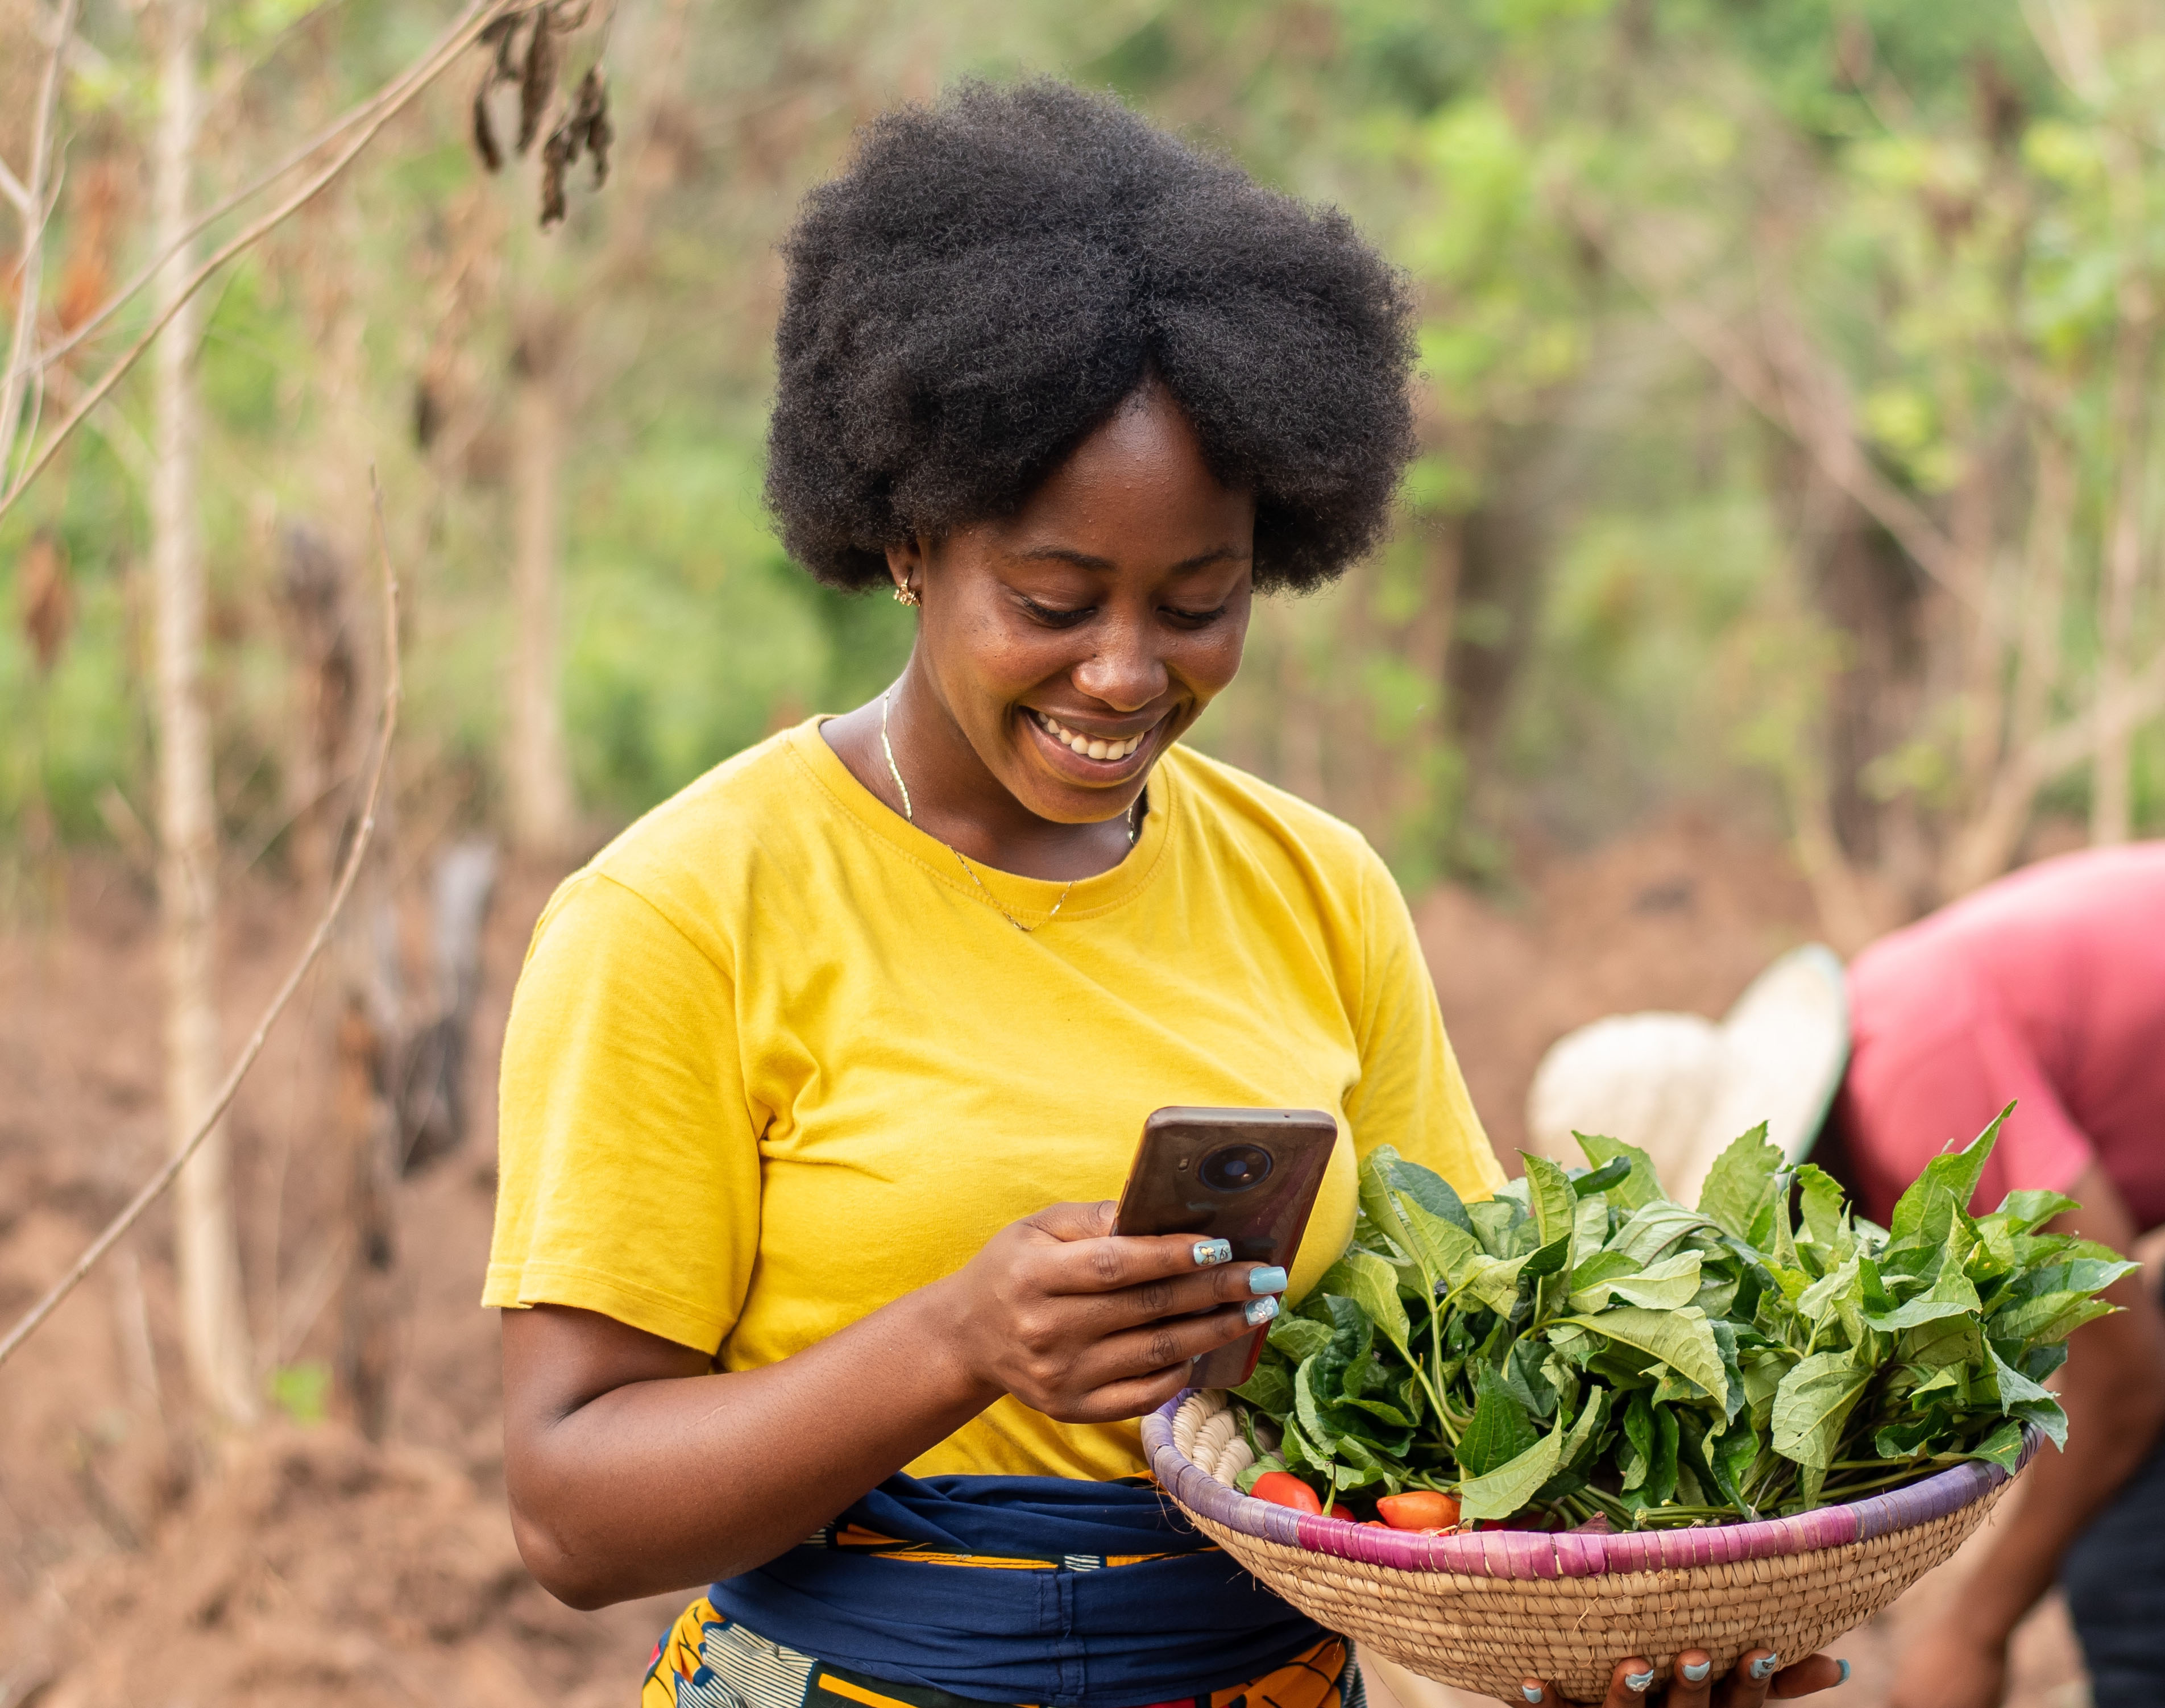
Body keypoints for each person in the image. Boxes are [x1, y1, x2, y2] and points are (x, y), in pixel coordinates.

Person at [487, 80, 1844, 1708]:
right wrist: (958, 1341)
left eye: (1198, 604)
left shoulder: (1312, 887)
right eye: (1052, 600)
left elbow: (1468, 1374)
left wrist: (1614, 1631)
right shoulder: (687, 909)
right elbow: (569, 1505)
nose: (1124, 674)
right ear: (909, 540)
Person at [1525, 839, 2165, 1708]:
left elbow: (2132, 1380)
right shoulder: (1887, 1052)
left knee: (2147, 1584)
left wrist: (1975, 1631)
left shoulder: (1918, 1087)